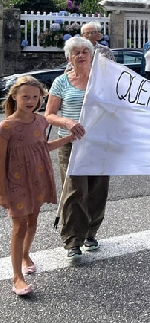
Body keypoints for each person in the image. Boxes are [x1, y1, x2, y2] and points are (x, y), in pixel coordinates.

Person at [0, 76, 75, 295]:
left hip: (38, 178)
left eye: (35, 97)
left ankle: (25, 255)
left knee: (32, 220)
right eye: (25, 96)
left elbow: (42, 147)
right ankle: (17, 277)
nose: (31, 101)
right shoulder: (6, 127)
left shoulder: (41, 121)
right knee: (19, 225)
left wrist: (69, 138)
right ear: (14, 97)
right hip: (15, 182)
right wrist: (2, 192)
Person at [45, 37, 108, 260]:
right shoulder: (61, 82)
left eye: (84, 51)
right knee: (74, 191)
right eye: (75, 52)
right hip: (70, 143)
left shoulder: (104, 81)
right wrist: (67, 122)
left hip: (100, 143)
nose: (80, 55)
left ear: (92, 55)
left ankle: (91, 232)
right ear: (69, 57)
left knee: (97, 190)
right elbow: (49, 115)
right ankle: (73, 239)